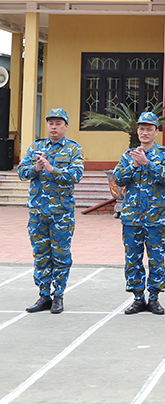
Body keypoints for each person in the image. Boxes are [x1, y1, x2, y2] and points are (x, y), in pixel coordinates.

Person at [18, 108, 84, 314]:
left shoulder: (73, 149)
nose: (53, 127)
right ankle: (43, 295)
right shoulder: (36, 147)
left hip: (61, 214)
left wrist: (52, 169)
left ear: (65, 126)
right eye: (50, 123)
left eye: (58, 123)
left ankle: (59, 296)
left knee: (61, 255)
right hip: (38, 212)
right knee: (41, 255)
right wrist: (36, 168)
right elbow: (21, 171)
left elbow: (76, 175)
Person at [112, 112, 165, 315]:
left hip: (156, 217)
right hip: (132, 217)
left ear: (156, 131)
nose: (145, 132)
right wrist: (134, 164)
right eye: (141, 129)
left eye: (149, 129)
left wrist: (147, 163)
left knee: (156, 258)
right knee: (133, 258)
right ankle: (138, 298)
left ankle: (155, 297)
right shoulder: (128, 155)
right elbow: (118, 178)